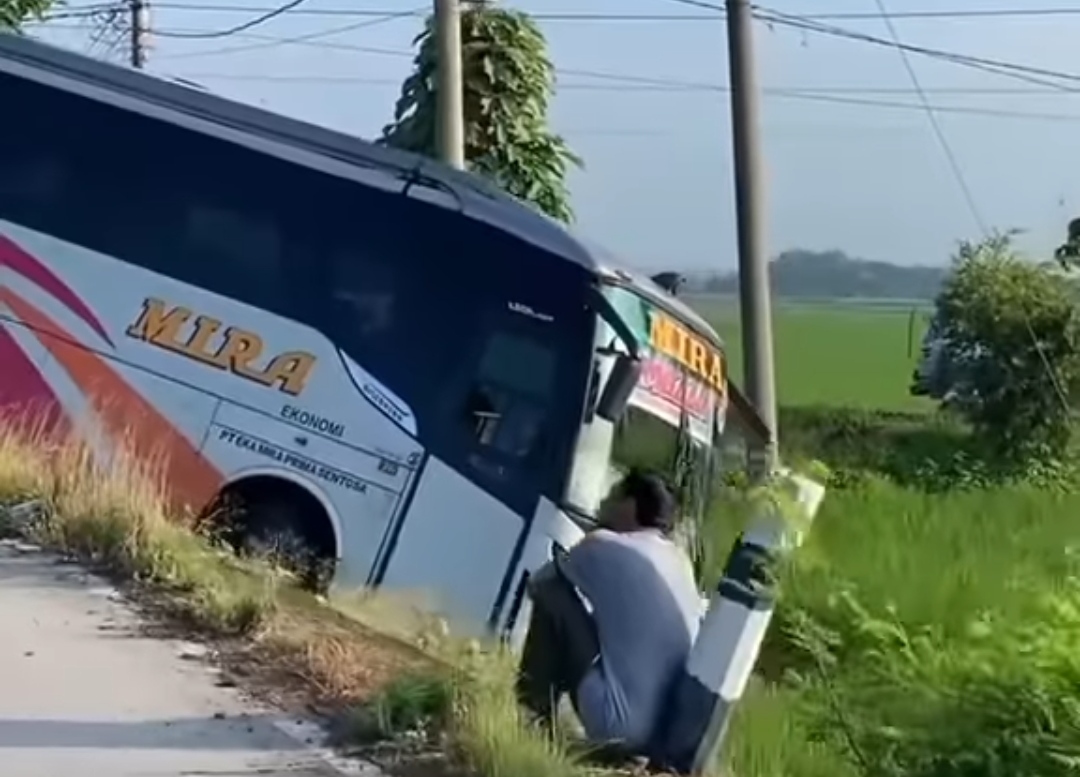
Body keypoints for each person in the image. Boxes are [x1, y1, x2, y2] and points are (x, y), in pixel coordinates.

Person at [516, 470, 703, 753]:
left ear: (629, 505)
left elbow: (538, 585)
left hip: (616, 725)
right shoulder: (681, 563)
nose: (603, 501)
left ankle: (532, 719)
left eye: (612, 495)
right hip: (658, 737)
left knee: (554, 596)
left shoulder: (603, 544)